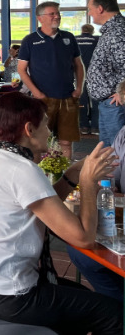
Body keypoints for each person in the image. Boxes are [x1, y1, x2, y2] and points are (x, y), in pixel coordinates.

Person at [0, 92, 122, 334]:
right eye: (45, 123)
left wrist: (71, 176)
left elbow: (39, 204)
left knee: (83, 299)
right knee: (114, 315)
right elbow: (83, 238)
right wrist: (87, 183)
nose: (50, 131)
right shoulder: (22, 170)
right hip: (4, 293)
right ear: (29, 129)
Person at [70, 78, 125, 302]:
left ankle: (115, 310)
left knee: (83, 250)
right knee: (79, 246)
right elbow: (111, 168)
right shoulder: (122, 133)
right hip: (118, 210)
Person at [18, 1, 84, 159]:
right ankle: (40, 178)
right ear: (40, 18)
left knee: (66, 142)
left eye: (58, 13)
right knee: (40, 142)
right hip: (43, 100)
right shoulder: (30, 40)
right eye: (52, 13)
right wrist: (36, 93)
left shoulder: (68, 37)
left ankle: (65, 179)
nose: (57, 16)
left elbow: (78, 65)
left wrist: (79, 88)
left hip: (68, 98)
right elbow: (21, 69)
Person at [87, 0, 125, 147]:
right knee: (108, 151)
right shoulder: (111, 30)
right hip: (108, 102)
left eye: (90, 9)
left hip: (115, 103)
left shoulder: (118, 31)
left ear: (100, 8)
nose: (89, 13)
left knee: (115, 153)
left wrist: (121, 92)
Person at [76, 24, 99, 136]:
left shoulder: (75, 39)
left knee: (82, 101)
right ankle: (95, 127)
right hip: (94, 75)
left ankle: (84, 126)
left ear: (82, 30)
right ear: (92, 31)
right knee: (96, 102)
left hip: (79, 75)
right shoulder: (96, 39)